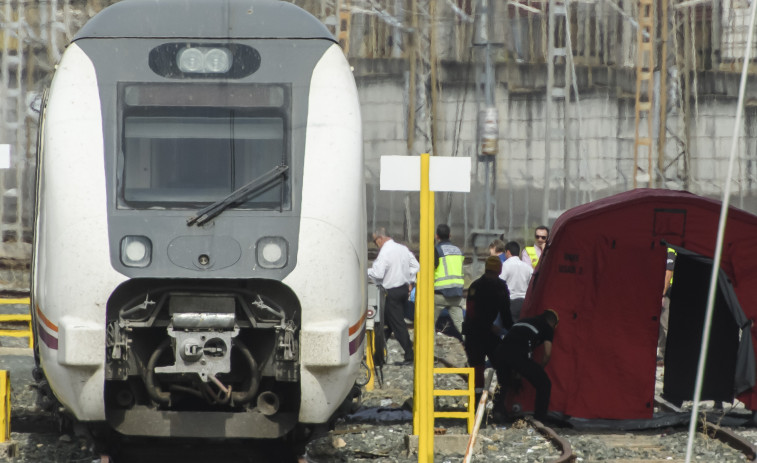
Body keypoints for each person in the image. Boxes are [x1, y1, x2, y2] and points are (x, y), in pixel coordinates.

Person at [493, 309, 559, 422]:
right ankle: (540, 417)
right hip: (519, 354)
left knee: (503, 382)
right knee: (544, 383)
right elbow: (547, 353)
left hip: (500, 352)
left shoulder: (523, 321)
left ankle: (497, 412)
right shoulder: (547, 327)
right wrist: (540, 369)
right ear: (553, 323)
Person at [368, 228, 419, 365]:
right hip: (402, 290)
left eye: (374, 241)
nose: (375, 244)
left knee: (397, 325)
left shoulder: (385, 252)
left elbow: (378, 274)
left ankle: (410, 355)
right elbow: (416, 265)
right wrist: (408, 278)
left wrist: (365, 272)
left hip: (391, 292)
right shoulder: (402, 248)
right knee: (386, 323)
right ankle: (376, 355)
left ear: (380, 238)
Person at [463, 255, 512, 396]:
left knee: (484, 364)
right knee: (481, 365)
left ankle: (493, 396)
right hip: (479, 332)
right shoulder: (498, 287)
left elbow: (505, 312)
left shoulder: (477, 286)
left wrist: (510, 329)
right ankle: (482, 397)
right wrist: (500, 328)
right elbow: (473, 313)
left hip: (483, 333)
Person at [433, 224, 465, 338]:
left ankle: (430, 351)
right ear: (450, 235)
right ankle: (476, 351)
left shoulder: (436, 250)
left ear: (437, 236)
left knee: (429, 325)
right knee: (462, 327)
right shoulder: (458, 250)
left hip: (439, 295)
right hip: (456, 295)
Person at [500, 241, 533, 321]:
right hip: (525, 303)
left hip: (511, 302)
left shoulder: (505, 265)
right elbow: (532, 285)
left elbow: (500, 283)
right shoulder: (528, 267)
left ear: (507, 252)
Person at [658, 247, 676, 366]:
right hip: (666, 291)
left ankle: (663, 355)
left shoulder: (671, 251)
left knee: (664, 324)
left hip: (668, 292)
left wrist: (663, 293)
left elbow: (669, 271)